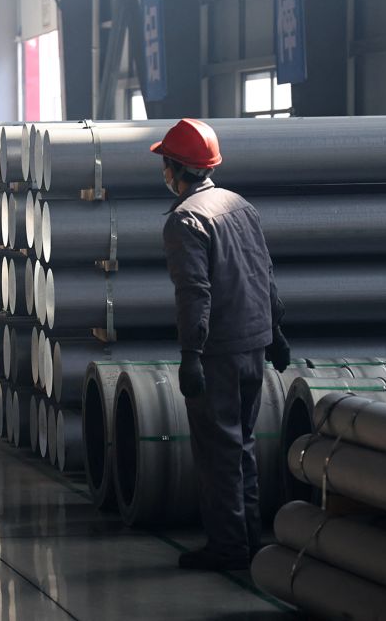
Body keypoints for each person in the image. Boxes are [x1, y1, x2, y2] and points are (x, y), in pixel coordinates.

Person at [152, 118, 291, 572]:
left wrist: (191, 355)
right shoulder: (239, 205)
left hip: (220, 352)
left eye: (166, 165)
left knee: (217, 453)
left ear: (177, 167)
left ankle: (228, 547)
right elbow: (264, 273)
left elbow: (195, 292)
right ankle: (248, 537)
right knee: (241, 445)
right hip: (254, 343)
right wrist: (277, 331)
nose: (164, 174)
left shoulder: (185, 220)